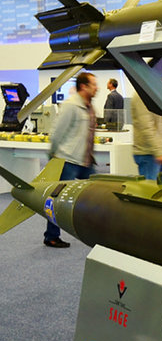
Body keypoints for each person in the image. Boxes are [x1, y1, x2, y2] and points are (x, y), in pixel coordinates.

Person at [44, 72, 98, 248]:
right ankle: (51, 236)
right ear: (83, 86)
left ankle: (94, 233)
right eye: (93, 85)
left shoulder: (89, 107)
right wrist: (53, 155)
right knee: (58, 199)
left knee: (95, 196)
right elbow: (57, 132)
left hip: (86, 161)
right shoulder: (70, 106)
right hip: (68, 160)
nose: (97, 88)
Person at [131, 92, 162, 182]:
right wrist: (159, 152)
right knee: (150, 189)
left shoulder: (153, 95)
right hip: (148, 153)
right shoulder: (141, 97)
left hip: (159, 152)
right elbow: (146, 127)